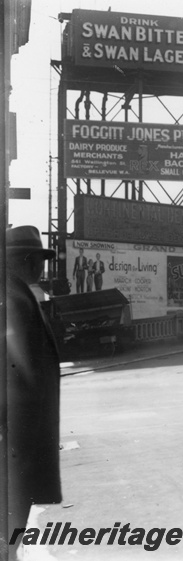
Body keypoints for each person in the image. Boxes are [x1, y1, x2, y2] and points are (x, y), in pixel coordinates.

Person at [5, 226, 62, 557]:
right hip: (16, 445)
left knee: (13, 533)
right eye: (36, 259)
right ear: (23, 261)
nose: (40, 267)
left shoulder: (18, 295)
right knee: (9, 534)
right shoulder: (14, 300)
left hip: (19, 443)